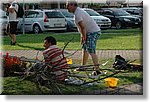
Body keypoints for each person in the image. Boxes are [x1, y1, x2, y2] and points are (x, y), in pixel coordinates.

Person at [66, 0, 103, 75]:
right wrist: (82, 36)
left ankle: (97, 70)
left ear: (72, 5)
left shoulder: (78, 14)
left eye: (67, 6)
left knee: (91, 50)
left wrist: (84, 37)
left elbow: (83, 27)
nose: (67, 8)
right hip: (89, 32)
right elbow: (82, 28)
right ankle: (83, 66)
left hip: (92, 32)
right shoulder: (78, 12)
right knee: (85, 49)